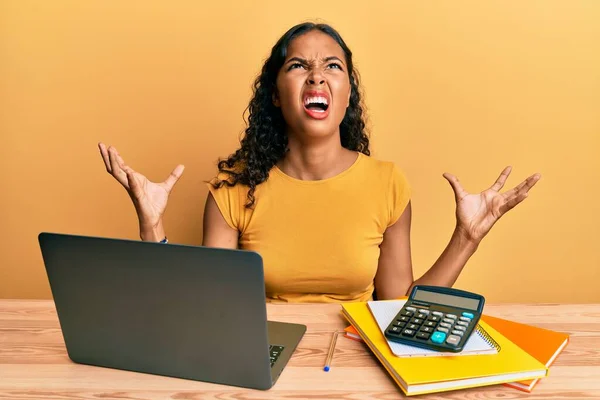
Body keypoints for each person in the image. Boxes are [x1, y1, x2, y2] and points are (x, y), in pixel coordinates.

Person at [98, 22, 540, 303]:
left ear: (347, 95)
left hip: (360, 361)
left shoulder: (387, 184)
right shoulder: (232, 191)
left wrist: (466, 237)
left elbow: (396, 308)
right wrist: (151, 226)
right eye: (297, 66)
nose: (317, 75)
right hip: (264, 361)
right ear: (274, 95)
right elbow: (209, 311)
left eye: (333, 66)